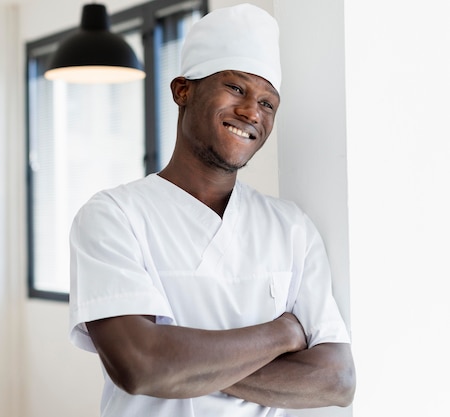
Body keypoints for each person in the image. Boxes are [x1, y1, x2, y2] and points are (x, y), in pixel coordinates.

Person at [68, 3, 356, 417]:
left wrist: (180, 365)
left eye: (268, 103)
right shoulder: (114, 216)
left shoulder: (291, 228)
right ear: (183, 90)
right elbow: (139, 366)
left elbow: (337, 380)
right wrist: (283, 332)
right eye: (236, 88)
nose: (252, 112)